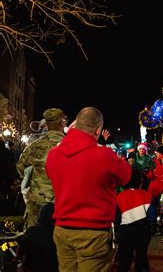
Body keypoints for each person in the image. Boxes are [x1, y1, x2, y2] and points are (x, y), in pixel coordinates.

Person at [45, 107, 131, 272]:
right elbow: (125, 176)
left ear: (75, 125)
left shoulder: (53, 154)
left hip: (62, 229)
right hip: (93, 232)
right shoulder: (105, 156)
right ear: (98, 130)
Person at [16, 108, 67, 229]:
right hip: (62, 202)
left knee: (33, 238)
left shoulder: (35, 145)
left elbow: (20, 166)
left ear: (47, 125)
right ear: (61, 124)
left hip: (37, 200)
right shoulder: (71, 145)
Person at [116, 169, 152, 272]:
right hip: (142, 228)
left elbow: (117, 216)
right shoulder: (146, 195)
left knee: (124, 259)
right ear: (140, 182)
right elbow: (150, 214)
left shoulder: (120, 196)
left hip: (125, 229)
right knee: (142, 256)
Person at [18, 202, 58, 272]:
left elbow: (21, 250)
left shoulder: (32, 231)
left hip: (33, 268)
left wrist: (15, 260)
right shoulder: (59, 233)